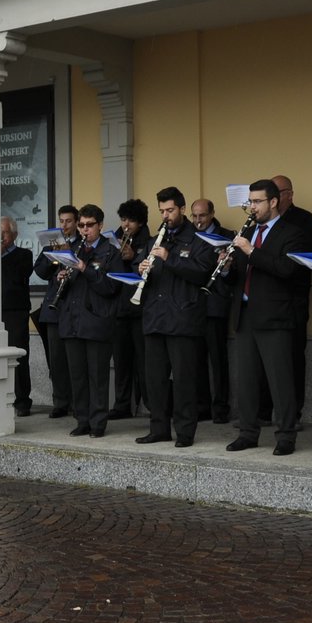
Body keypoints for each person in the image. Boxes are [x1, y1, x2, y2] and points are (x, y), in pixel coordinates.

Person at [224, 180, 307, 455]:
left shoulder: (292, 232)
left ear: (273, 202)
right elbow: (239, 275)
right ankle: (248, 432)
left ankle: (285, 436)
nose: (252, 207)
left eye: (257, 202)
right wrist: (225, 268)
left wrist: (250, 252)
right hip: (245, 314)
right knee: (246, 380)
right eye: (250, 202)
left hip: (275, 316)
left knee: (280, 379)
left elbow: (287, 270)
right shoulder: (247, 231)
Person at [135, 187, 217, 448]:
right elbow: (148, 273)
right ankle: (158, 428)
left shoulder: (200, 240)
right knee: (155, 380)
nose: (165, 215)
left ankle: (184, 431)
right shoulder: (153, 241)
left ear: (182, 209)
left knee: (183, 380)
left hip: (183, 319)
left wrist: (169, 258)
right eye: (161, 211)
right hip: (155, 318)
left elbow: (201, 273)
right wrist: (141, 268)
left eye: (170, 210)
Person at [56, 204, 124, 437]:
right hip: (73, 322)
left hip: (96, 322)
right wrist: (63, 276)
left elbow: (112, 287)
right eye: (82, 225)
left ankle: (98, 423)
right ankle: (82, 420)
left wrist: (85, 269)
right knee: (78, 376)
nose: (85, 230)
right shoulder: (73, 249)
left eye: (89, 225)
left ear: (100, 225)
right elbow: (70, 288)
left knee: (97, 377)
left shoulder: (110, 252)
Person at [271, 174, 312, 415]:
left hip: (294, 298)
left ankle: (294, 411)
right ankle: (265, 410)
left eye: (276, 192)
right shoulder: (263, 222)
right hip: (267, 301)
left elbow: (301, 260)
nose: (272, 198)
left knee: (293, 357)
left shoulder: (304, 220)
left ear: (289, 194)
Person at [190, 198, 235, 424]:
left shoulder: (226, 235)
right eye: (194, 216)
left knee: (218, 360)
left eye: (202, 216)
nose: (198, 220)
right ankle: (202, 407)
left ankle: (221, 408)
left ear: (212, 214)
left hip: (215, 305)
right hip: (193, 305)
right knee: (196, 361)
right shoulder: (189, 235)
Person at [33, 205, 79, 418]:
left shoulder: (82, 243)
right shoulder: (54, 244)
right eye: (62, 221)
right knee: (57, 359)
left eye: (68, 221)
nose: (64, 225)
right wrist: (54, 258)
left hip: (75, 307)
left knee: (75, 360)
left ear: (76, 222)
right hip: (54, 308)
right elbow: (40, 272)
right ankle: (60, 402)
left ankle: (78, 403)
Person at [109, 199, 150, 420]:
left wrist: (133, 257)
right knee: (121, 361)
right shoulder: (114, 238)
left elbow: (147, 271)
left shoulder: (148, 240)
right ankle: (121, 404)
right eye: (123, 219)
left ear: (141, 222)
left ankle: (150, 403)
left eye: (131, 221)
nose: (126, 224)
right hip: (119, 308)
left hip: (139, 309)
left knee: (144, 361)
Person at [0, 217, 34, 417]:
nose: (0, 237)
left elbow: (17, 279)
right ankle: (1, 397)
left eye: (4, 233)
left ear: (14, 235)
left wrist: (1, 255)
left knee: (18, 356)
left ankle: (22, 401)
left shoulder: (24, 255)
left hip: (15, 311)